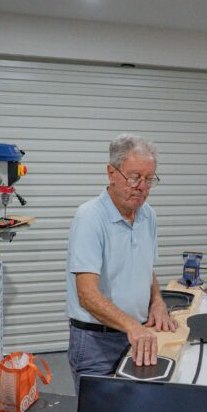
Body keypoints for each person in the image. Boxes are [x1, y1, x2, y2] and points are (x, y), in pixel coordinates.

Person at [66, 134, 176, 389]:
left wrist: (157, 302)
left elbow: (146, 269)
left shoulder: (148, 215)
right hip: (96, 343)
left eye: (149, 179)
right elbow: (86, 295)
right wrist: (132, 327)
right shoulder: (90, 218)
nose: (141, 187)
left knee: (135, 408)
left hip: (137, 335)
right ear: (111, 173)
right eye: (134, 177)